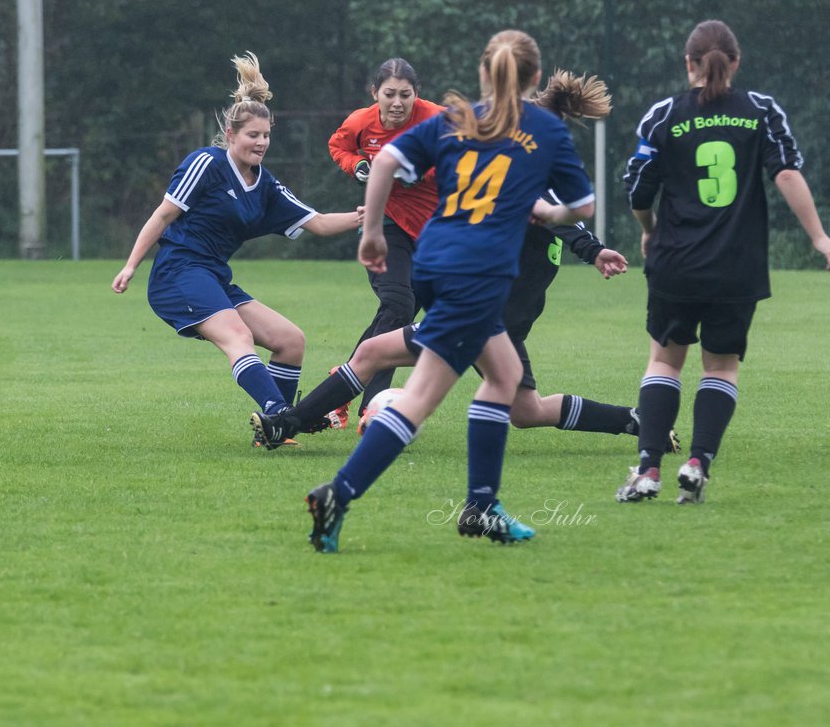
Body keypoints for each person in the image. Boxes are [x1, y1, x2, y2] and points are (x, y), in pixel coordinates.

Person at [286, 30, 596, 552]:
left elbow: (383, 162)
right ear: (536, 80)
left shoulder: (454, 117)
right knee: (428, 396)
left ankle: (480, 505)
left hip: (435, 257)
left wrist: (370, 232)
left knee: (503, 375)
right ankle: (343, 494)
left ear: (482, 75)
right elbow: (582, 207)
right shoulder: (543, 127)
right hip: (476, 274)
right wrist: (547, 212)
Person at [253, 73, 661, 447]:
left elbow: (551, 212)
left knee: (372, 354)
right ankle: (638, 421)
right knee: (526, 411)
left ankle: (286, 425)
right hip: (503, 321)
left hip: (479, 317)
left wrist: (594, 250)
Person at [616, 20, 830, 504]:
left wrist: (649, 232)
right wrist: (820, 239)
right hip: (737, 267)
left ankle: (648, 469)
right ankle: (697, 463)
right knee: (720, 369)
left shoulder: (663, 115)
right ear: (735, 63)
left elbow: (638, 189)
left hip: (675, 264)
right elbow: (787, 173)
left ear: (687, 62)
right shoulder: (760, 111)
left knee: (664, 362)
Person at [112, 52, 363, 417]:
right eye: (252, 135)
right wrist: (130, 266)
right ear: (231, 135)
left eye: (266, 136)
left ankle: (279, 429)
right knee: (239, 337)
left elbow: (320, 223)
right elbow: (163, 215)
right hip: (177, 274)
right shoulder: (207, 163)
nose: (260, 142)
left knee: (290, 341)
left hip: (214, 277)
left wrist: (366, 215)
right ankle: (279, 413)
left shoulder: (267, 186)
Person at [324, 59, 444, 426]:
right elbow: (338, 145)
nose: (397, 103)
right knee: (398, 302)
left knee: (399, 316)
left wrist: (417, 171)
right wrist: (357, 165)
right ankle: (373, 406)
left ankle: (340, 386)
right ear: (374, 93)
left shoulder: (437, 120)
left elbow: (462, 159)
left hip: (435, 232)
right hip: (386, 225)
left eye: (405, 95)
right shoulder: (361, 122)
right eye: (389, 94)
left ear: (417, 95)